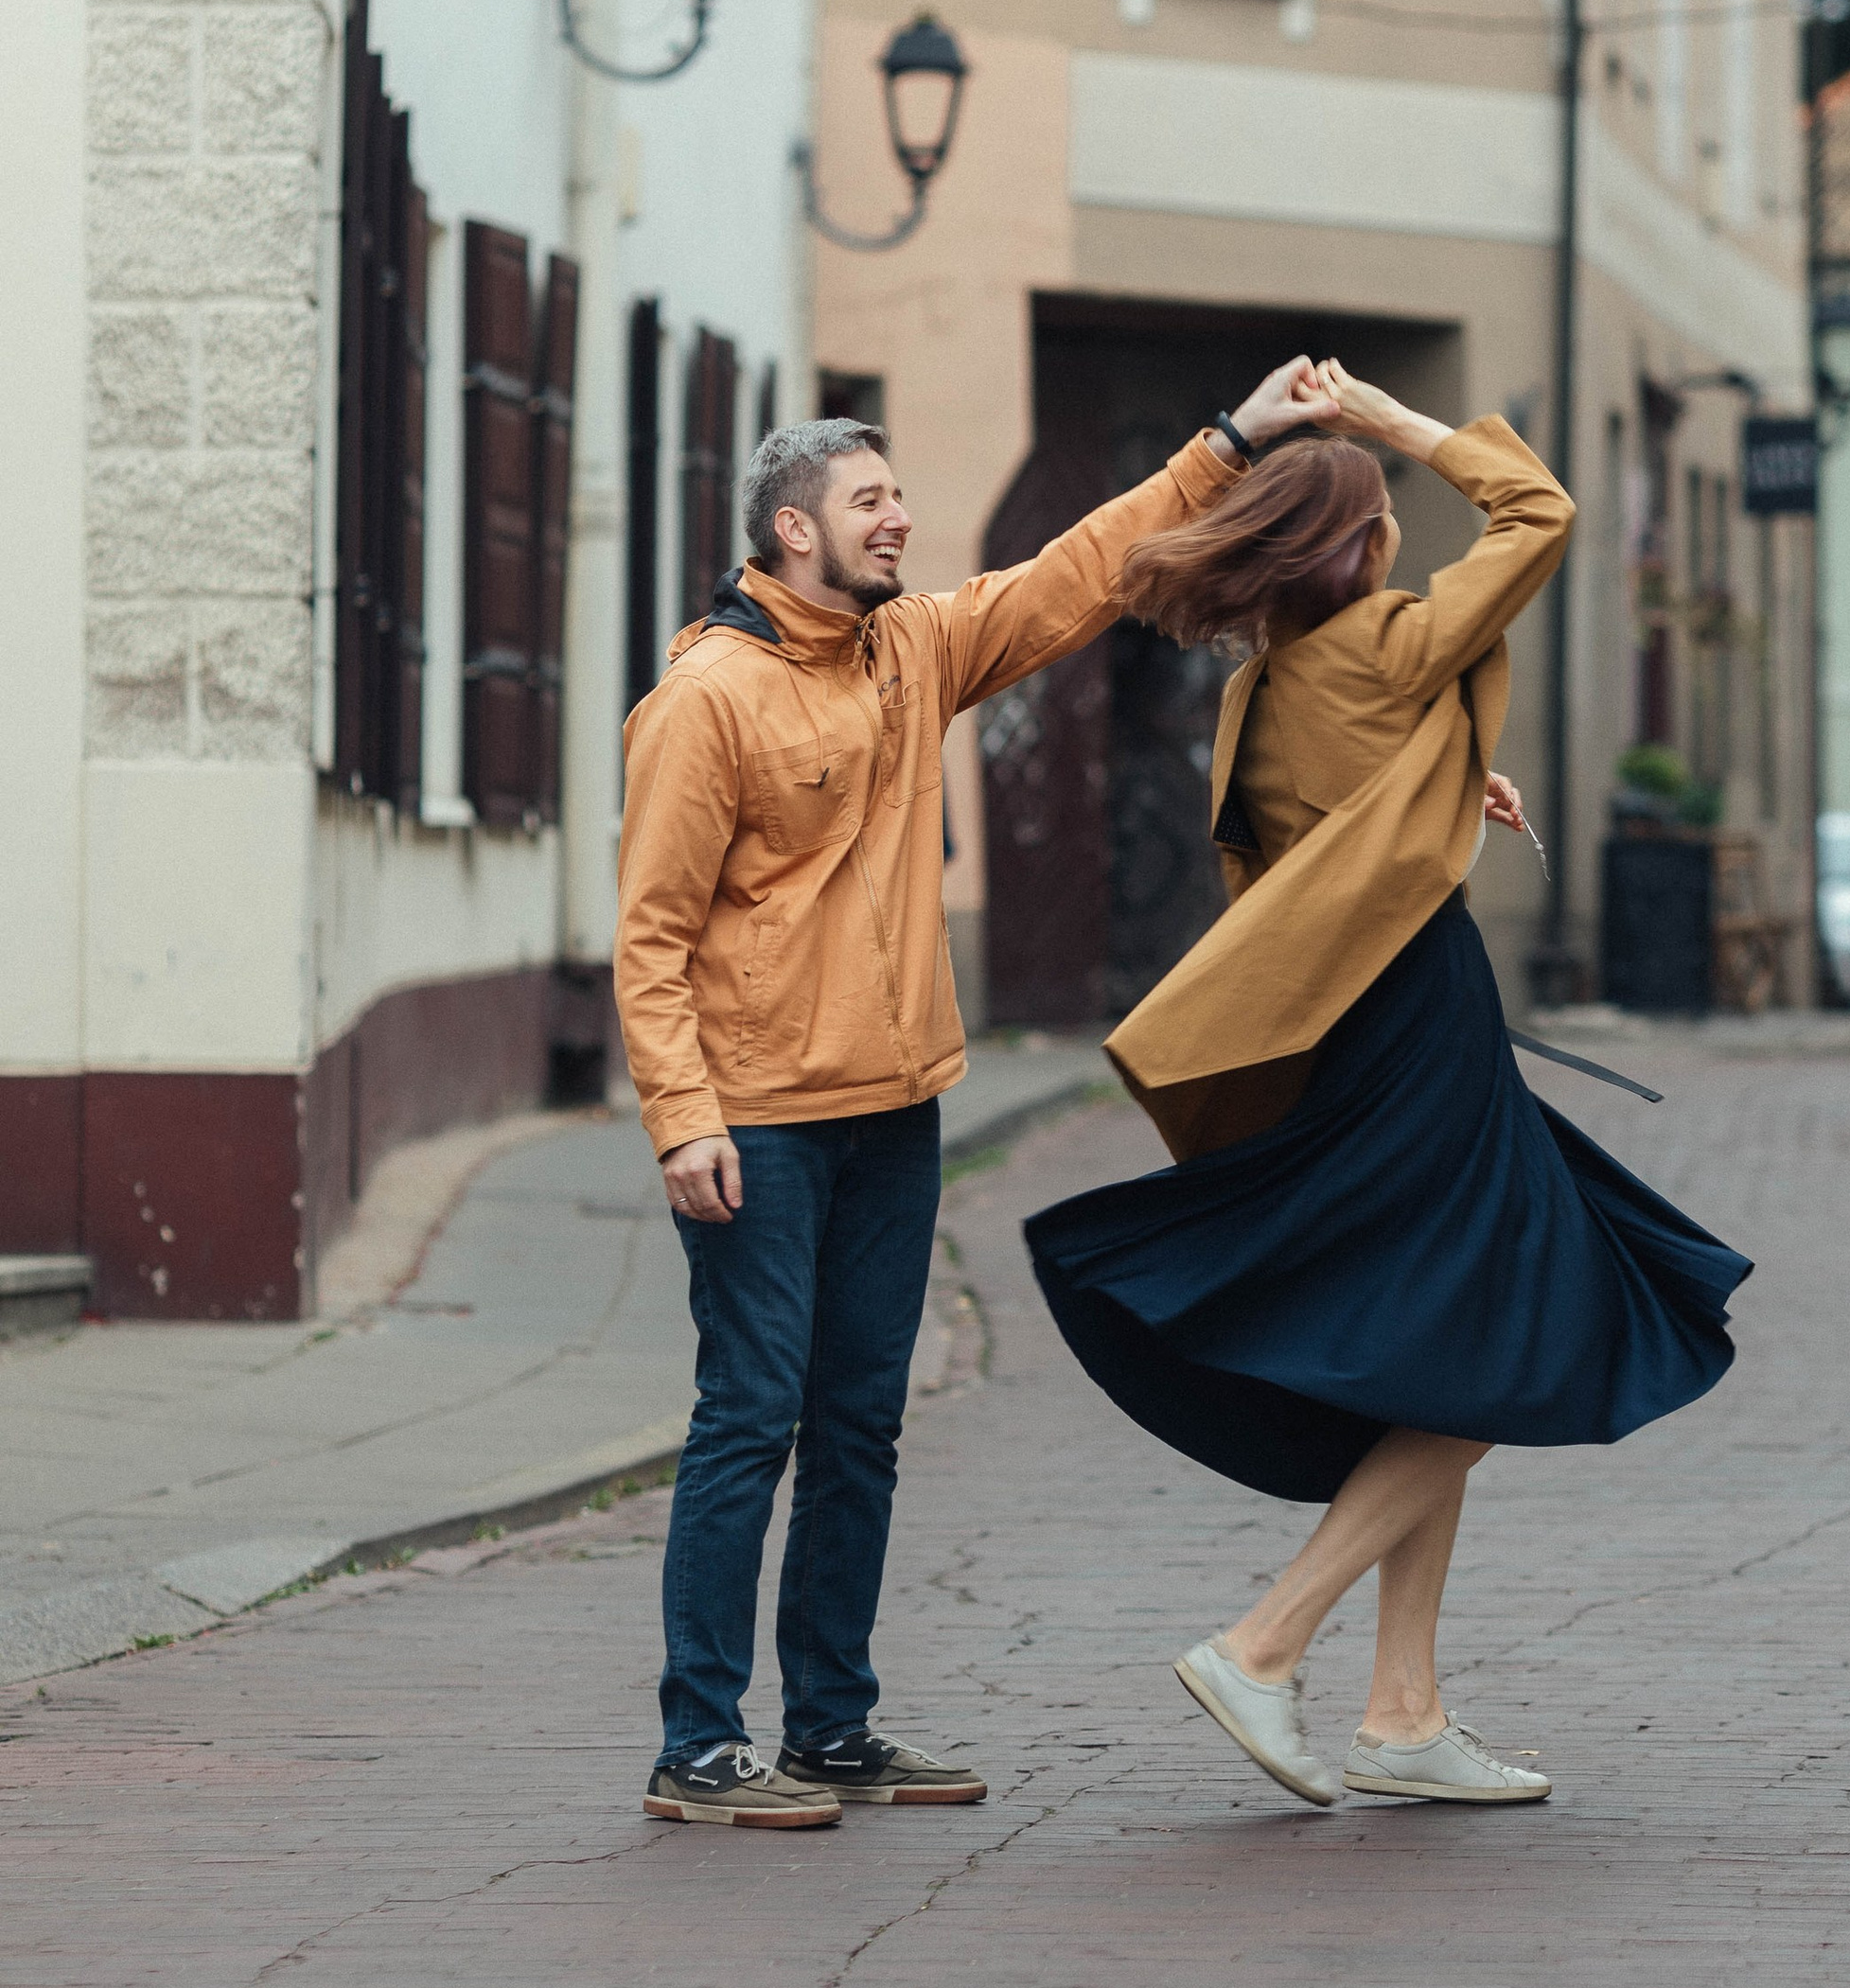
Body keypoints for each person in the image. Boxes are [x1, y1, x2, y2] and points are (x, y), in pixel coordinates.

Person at [616, 355, 1331, 1829]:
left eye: (898, 499)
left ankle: (830, 1726)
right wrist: (683, 1116)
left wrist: (1229, 438)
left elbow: (1085, 570)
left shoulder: (915, 653)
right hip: (757, 1116)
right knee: (752, 1414)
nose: (899, 523)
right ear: (791, 531)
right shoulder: (706, 699)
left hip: (894, 1108)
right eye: (870, 503)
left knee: (862, 1423)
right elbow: (651, 933)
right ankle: (699, 1743)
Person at [1023, 365, 1752, 1810]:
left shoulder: (1263, 691)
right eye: (1382, 524)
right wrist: (1392, 427)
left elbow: (1312, 842)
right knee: (1514, 1327)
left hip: (1342, 1025)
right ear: (1355, 546)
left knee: (1441, 1342)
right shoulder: (1395, 642)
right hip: (1421, 1012)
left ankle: (1404, 1715)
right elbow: (1538, 510)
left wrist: (1444, 778)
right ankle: (1264, 1642)